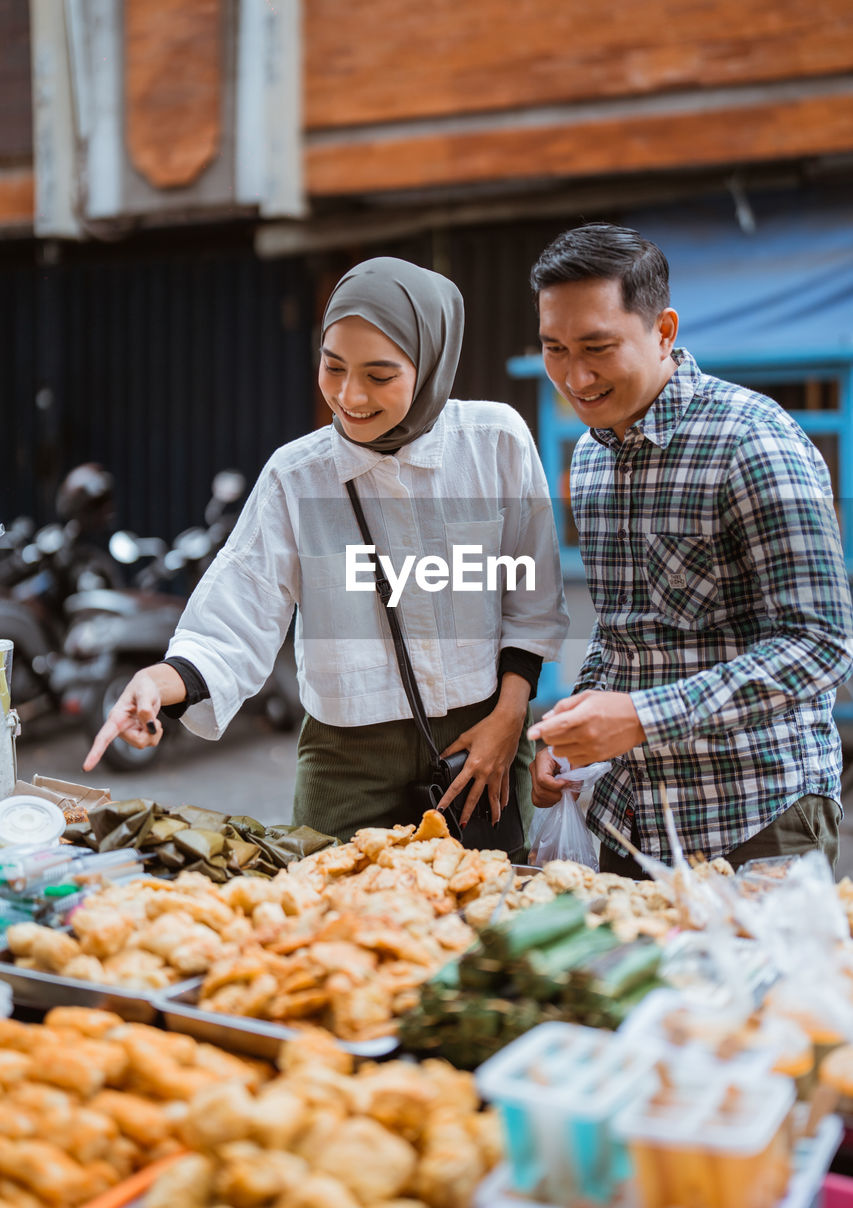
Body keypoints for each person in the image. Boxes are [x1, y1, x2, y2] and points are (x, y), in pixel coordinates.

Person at [84, 257, 568, 855]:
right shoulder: (296, 475)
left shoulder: (495, 443)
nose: (349, 396)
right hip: (346, 764)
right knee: (328, 924)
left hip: (482, 741)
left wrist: (509, 717)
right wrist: (160, 681)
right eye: (333, 366)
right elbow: (242, 605)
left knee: (486, 919)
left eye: (380, 375)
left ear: (433, 364)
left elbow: (533, 595)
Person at [526, 223, 853, 874]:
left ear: (664, 331)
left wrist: (643, 717)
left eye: (597, 347)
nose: (575, 375)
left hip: (757, 814)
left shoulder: (752, 442)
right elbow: (625, 634)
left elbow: (819, 645)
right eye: (554, 348)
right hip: (629, 813)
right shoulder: (591, 457)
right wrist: (572, 733)